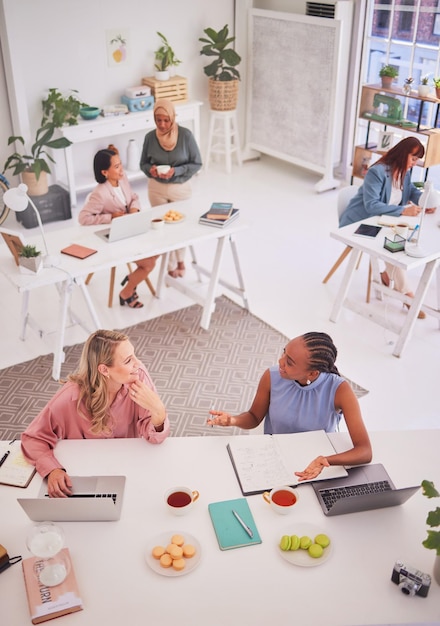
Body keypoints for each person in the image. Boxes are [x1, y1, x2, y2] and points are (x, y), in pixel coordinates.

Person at [21, 330, 170, 497]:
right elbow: (32, 438)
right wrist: (52, 470)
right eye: (128, 360)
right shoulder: (69, 398)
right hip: (85, 472)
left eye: (134, 355)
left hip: (130, 464)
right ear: (104, 370)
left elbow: (154, 437)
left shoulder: (138, 378)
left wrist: (158, 410)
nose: (138, 364)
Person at [207, 332, 372, 481]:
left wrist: (326, 460)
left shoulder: (340, 390)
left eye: (289, 362)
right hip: (275, 458)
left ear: (313, 373)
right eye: (284, 353)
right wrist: (233, 420)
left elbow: (364, 451)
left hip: (317, 464)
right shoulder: (271, 376)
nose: (280, 362)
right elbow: (254, 417)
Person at [339, 137, 437, 318]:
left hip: (383, 221)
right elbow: (372, 206)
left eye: (417, 160)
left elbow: (411, 192)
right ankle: (408, 296)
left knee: (404, 240)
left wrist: (424, 203)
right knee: (395, 244)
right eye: (413, 158)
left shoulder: (404, 172)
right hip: (360, 223)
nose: (414, 164)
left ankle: (388, 277)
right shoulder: (377, 172)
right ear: (402, 154)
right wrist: (403, 210)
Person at [78, 147, 158, 308]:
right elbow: (83, 218)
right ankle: (126, 291)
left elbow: (133, 197)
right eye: (116, 167)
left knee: (161, 247)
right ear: (104, 172)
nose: (121, 169)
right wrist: (110, 217)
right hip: (119, 238)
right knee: (149, 264)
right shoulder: (99, 193)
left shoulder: (122, 179)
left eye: (120, 164)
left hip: (132, 228)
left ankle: (133, 278)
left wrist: (134, 209)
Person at [140, 99, 202, 277]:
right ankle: (170, 265)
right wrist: (150, 170)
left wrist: (176, 170)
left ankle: (181, 259)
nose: (162, 124)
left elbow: (197, 163)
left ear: (173, 117)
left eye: (166, 120)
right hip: (156, 189)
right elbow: (142, 164)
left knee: (180, 227)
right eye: (158, 120)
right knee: (162, 230)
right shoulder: (150, 138)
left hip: (180, 188)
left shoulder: (186, 136)